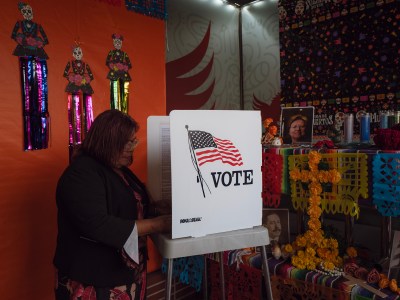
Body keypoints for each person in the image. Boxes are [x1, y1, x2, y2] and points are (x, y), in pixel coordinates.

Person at [53, 109, 171, 300]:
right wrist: (160, 224)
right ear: (106, 142)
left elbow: (129, 206)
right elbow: (98, 224)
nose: (131, 147)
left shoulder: (119, 168)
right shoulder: (81, 174)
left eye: (133, 141)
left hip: (126, 272)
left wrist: (156, 208)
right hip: (94, 277)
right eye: (126, 142)